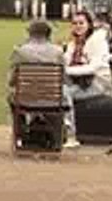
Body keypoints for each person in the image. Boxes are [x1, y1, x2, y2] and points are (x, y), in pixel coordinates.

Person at [9, 19, 80, 148]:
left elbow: (12, 81)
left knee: (12, 97)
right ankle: (61, 135)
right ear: (49, 34)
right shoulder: (58, 52)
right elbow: (64, 78)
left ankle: (20, 132)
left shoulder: (20, 51)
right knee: (63, 93)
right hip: (53, 99)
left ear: (30, 33)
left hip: (25, 98)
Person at [64, 10, 112, 104]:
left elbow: (93, 68)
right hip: (79, 83)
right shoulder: (73, 44)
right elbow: (65, 61)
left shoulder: (97, 41)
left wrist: (66, 70)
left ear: (89, 25)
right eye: (74, 23)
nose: (78, 26)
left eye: (81, 23)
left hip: (98, 84)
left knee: (64, 93)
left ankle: (69, 114)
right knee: (57, 90)